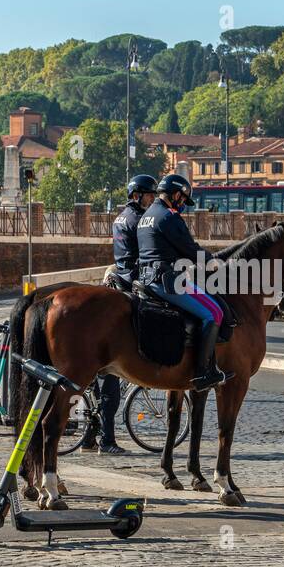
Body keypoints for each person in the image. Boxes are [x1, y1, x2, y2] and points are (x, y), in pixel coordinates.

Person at [136, 174, 232, 391]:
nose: (182, 205)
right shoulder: (169, 217)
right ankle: (202, 372)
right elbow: (190, 249)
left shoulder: (147, 215)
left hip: (146, 279)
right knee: (214, 313)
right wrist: (212, 261)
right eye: (182, 200)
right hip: (167, 281)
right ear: (176, 194)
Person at [83, 174, 158, 454]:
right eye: (149, 196)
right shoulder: (139, 221)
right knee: (109, 388)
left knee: (99, 387)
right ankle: (108, 440)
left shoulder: (121, 217)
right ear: (137, 195)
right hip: (133, 277)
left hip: (119, 274)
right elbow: (148, 252)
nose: (152, 200)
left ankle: (92, 436)